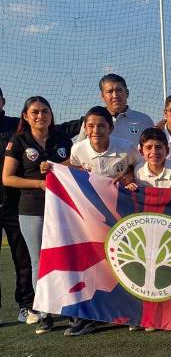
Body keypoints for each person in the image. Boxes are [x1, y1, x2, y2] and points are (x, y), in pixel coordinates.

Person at [66, 106, 141, 336]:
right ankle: (91, 315)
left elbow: (137, 168)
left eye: (101, 125)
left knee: (125, 261)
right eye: (90, 126)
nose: (95, 130)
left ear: (110, 127)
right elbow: (73, 170)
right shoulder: (78, 149)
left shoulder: (126, 148)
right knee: (93, 264)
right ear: (85, 128)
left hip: (121, 216)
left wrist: (128, 175)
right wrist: (52, 168)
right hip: (90, 218)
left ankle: (131, 312)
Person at [3, 96, 73, 334]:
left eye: (45, 111)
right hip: (31, 209)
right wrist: (40, 184)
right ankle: (44, 312)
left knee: (65, 257)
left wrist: (59, 168)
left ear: (51, 115)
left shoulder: (62, 139)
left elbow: (73, 169)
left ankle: (68, 308)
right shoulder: (19, 140)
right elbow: (7, 178)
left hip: (63, 208)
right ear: (25, 116)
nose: (40, 116)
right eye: (35, 112)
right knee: (38, 262)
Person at [0, 87, 35, 325]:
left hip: (15, 204)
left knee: (23, 258)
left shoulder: (17, 126)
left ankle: (27, 305)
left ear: (3, 101)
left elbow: (54, 129)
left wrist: (88, 120)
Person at [84, 74, 155, 145]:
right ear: (102, 96)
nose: (115, 95)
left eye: (118, 90)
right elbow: (80, 150)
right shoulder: (90, 122)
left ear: (127, 93)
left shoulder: (145, 120)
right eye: (110, 91)